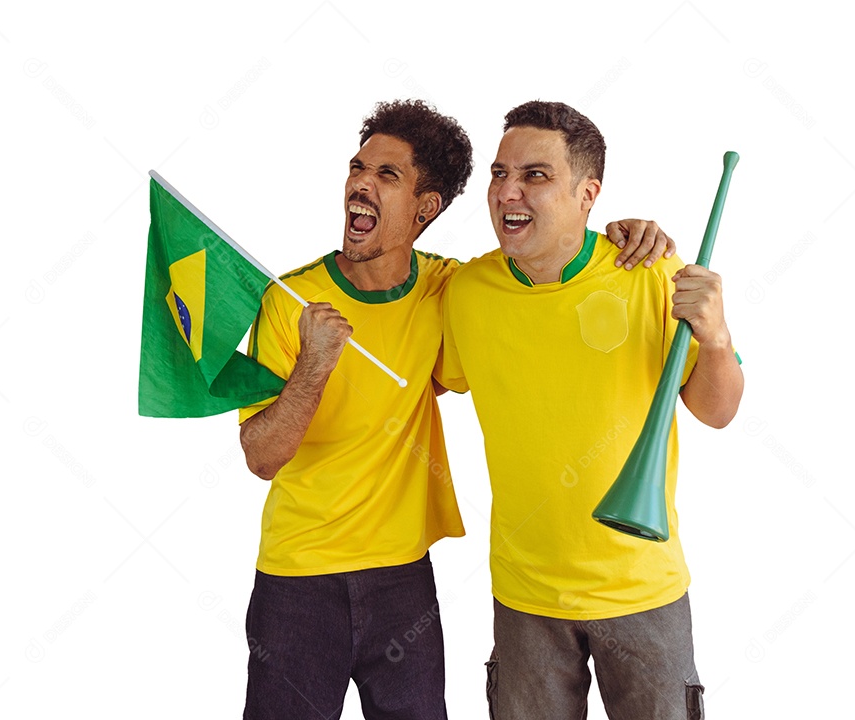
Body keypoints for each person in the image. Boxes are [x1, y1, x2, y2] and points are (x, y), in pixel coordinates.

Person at [237, 99, 677, 720]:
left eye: (386, 175)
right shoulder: (289, 300)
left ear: (426, 208)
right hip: (296, 580)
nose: (361, 183)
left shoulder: (449, 289)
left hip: (403, 580)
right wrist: (314, 366)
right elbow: (260, 456)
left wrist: (624, 232)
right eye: (358, 168)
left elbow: (533, 285)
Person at [437, 100, 744, 719]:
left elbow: (717, 411)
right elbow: (424, 377)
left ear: (588, 194)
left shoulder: (651, 274)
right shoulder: (465, 291)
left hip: (643, 591)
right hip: (524, 597)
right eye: (500, 173)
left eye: (535, 175)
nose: (508, 191)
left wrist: (716, 338)